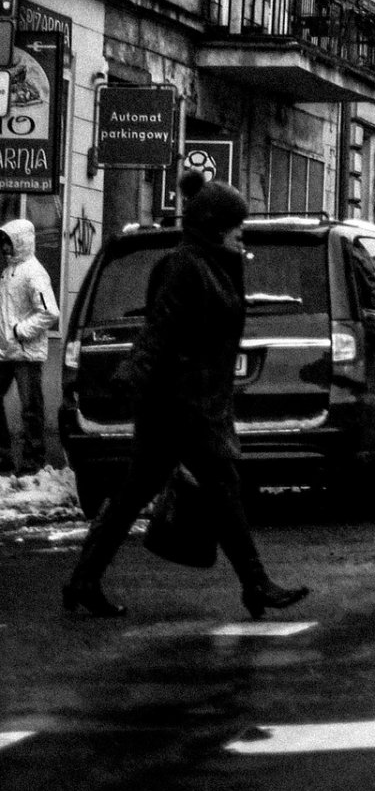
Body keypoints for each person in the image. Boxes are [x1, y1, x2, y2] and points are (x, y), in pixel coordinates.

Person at [63, 170, 308, 620]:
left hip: (196, 400)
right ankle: (256, 585)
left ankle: (84, 579)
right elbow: (160, 327)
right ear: (215, 224)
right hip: (178, 403)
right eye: (235, 224)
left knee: (140, 491)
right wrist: (132, 372)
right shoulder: (184, 265)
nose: (241, 232)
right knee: (221, 487)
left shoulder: (215, 264)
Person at [0, 219, 58, 475]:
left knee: (30, 408)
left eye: (8, 242)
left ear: (20, 241)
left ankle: (34, 460)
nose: (4, 247)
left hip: (25, 353)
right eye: (3, 242)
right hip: (6, 351)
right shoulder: (7, 272)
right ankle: (4, 455)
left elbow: (49, 312)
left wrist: (19, 331)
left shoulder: (35, 272)